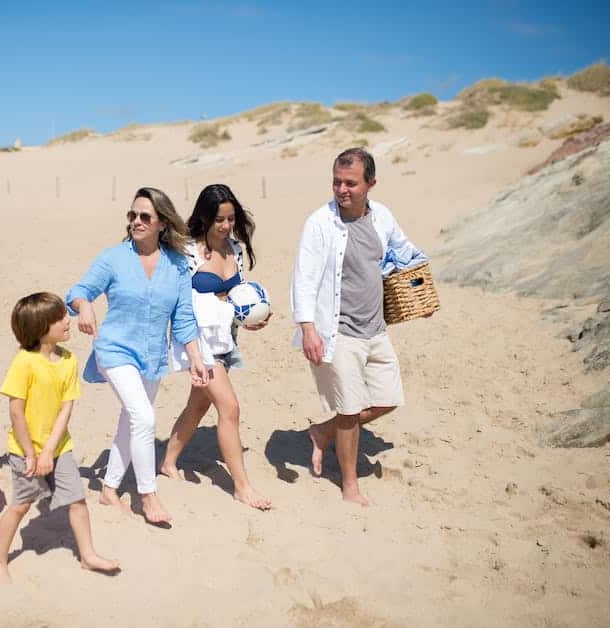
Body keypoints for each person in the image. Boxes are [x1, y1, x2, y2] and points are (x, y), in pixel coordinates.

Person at [291, 148, 426, 507]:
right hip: (338, 330)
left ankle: (322, 431)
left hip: (377, 328)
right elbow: (303, 279)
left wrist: (420, 287)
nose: (342, 189)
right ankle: (349, 484)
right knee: (350, 411)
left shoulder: (382, 216)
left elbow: (407, 252)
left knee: (388, 399)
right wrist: (308, 328)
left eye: (351, 183)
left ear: (371, 184)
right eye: (336, 181)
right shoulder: (320, 222)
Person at [66, 187, 208, 526]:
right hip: (113, 349)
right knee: (143, 418)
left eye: (145, 216)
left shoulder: (176, 266)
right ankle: (148, 493)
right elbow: (79, 291)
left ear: (162, 222)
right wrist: (84, 306)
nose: (136, 221)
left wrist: (196, 359)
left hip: (152, 356)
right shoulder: (113, 257)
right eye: (132, 215)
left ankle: (110, 488)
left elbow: (184, 318)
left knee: (131, 422)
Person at [0, 293, 120, 582]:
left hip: (59, 447)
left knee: (77, 500)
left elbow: (66, 409)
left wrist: (49, 451)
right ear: (40, 327)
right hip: (24, 451)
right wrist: (32, 454)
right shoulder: (24, 362)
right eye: (60, 318)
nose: (67, 320)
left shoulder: (69, 360)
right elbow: (16, 414)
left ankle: (88, 556)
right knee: (22, 505)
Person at [159, 184, 272, 510]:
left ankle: (168, 462)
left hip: (224, 337)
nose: (225, 226)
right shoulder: (187, 251)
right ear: (205, 218)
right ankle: (242, 486)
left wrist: (252, 318)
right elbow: (177, 297)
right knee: (230, 408)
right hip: (197, 340)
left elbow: (237, 298)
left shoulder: (235, 249)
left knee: (199, 405)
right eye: (219, 219)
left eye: (230, 218)